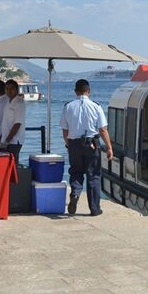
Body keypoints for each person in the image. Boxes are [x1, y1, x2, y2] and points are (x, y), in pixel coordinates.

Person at [60, 79, 113, 216]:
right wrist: (109, 147)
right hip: (91, 144)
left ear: (75, 91)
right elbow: (103, 129)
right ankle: (94, 209)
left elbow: (65, 130)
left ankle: (75, 194)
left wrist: (69, 144)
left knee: (76, 171)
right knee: (93, 174)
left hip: (74, 144)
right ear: (88, 91)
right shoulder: (96, 106)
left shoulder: (68, 107)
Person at [0, 79, 25, 165]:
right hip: (6, 139)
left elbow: (17, 124)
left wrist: (7, 141)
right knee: (6, 165)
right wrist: (1, 137)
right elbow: (6, 123)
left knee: (12, 165)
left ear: (16, 90)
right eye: (7, 89)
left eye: (12, 88)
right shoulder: (8, 102)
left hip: (14, 141)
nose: (9, 91)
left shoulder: (19, 103)